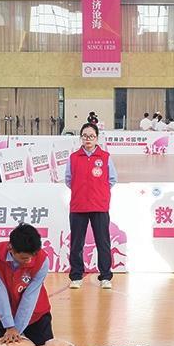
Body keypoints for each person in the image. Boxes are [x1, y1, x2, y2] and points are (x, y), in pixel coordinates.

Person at [0, 222, 54, 345]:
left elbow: (30, 297)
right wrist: (9, 326)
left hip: (35, 315)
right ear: (11, 248)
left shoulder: (43, 261)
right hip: (3, 315)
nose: (29, 261)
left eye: (32, 256)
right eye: (24, 258)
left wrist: (16, 330)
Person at [63, 123, 116, 291]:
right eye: (85, 136)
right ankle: (76, 276)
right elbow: (68, 179)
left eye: (91, 136)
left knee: (103, 243)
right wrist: (81, 191)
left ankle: (105, 276)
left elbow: (112, 179)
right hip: (78, 205)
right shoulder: (73, 157)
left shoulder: (105, 157)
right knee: (76, 243)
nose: (88, 139)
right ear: (81, 138)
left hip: (99, 206)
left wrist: (98, 192)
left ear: (97, 138)